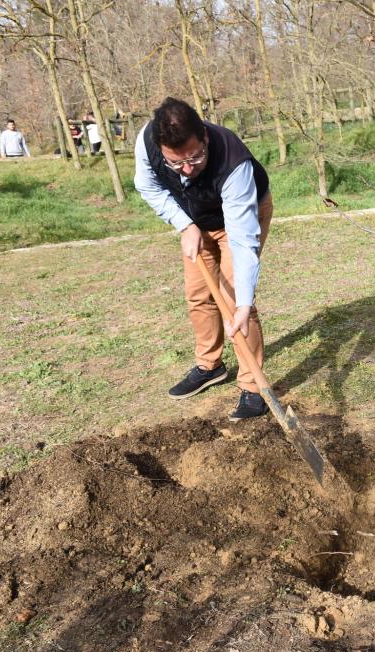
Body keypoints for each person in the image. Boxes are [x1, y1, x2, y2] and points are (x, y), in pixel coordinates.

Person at [134, 97, 274, 421]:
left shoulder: (232, 162)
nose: (186, 169)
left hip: (235, 223)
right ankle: (210, 366)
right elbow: (147, 186)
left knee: (235, 299)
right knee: (199, 294)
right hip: (194, 223)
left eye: (195, 158)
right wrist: (184, 224)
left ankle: (254, 389)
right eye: (175, 163)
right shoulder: (148, 141)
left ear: (205, 138)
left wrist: (242, 304)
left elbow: (242, 241)